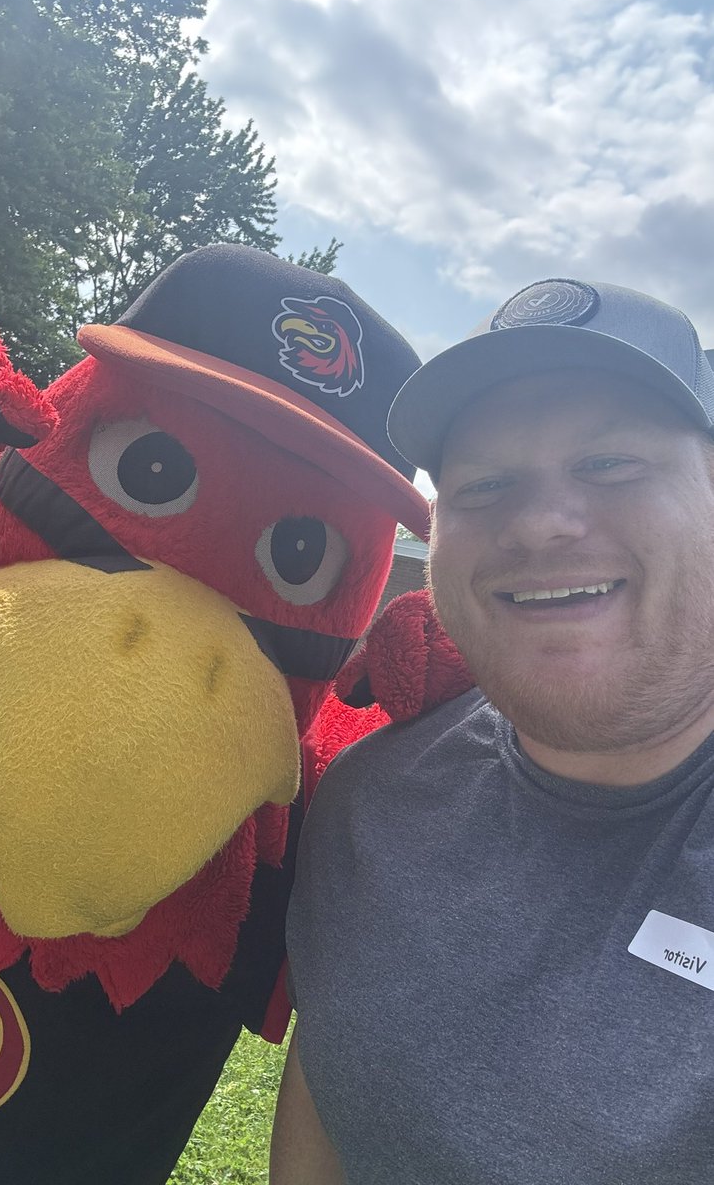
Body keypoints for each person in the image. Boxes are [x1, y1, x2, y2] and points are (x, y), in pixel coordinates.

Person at [270, 278, 714, 1185]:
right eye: (484, 484)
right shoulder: (368, 803)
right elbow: (326, 1087)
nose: (539, 523)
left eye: (610, 463)